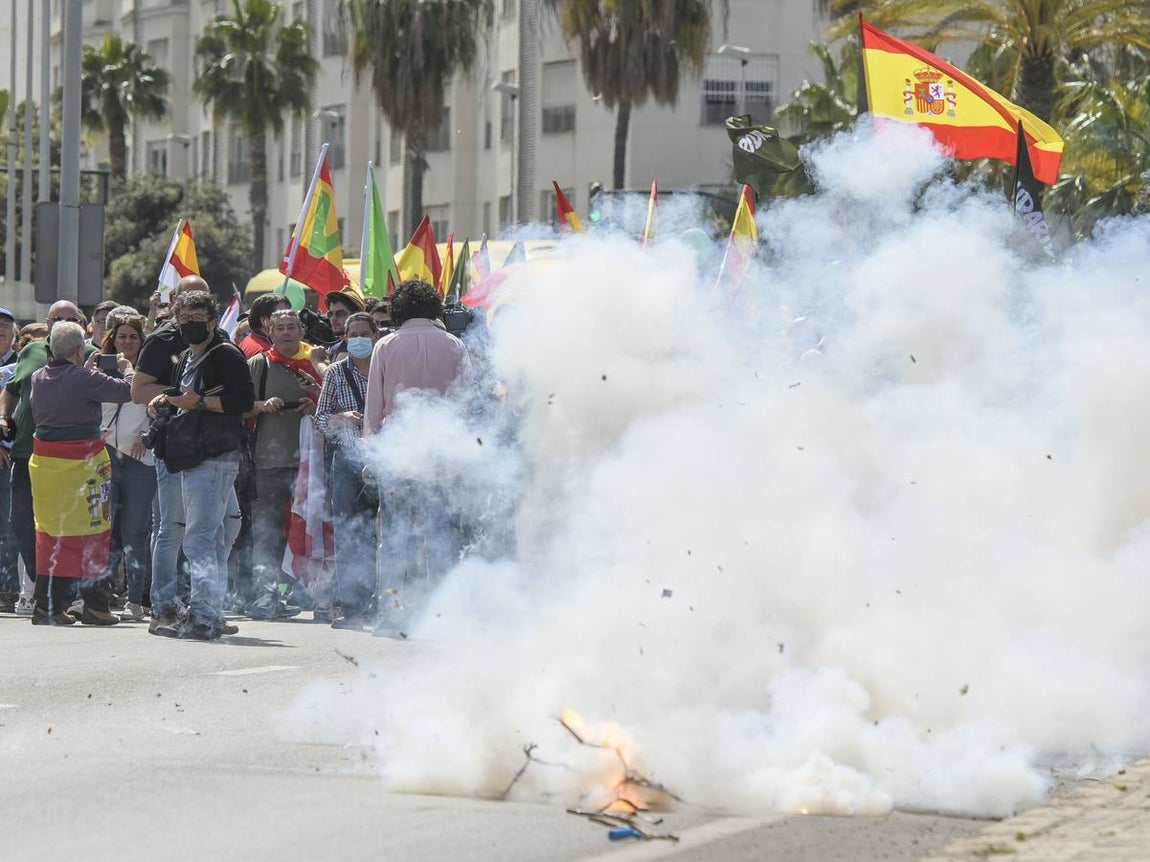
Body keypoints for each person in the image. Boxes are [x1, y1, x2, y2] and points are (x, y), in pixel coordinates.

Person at [132, 275, 242, 634]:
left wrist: (199, 402)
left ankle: (205, 616)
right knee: (199, 536)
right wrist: (167, 400)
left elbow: (242, 400)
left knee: (199, 538)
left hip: (213, 454)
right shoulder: (186, 357)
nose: (191, 326)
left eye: (198, 319)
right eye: (184, 321)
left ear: (213, 321)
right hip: (190, 455)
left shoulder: (225, 353)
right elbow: (162, 392)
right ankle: (201, 612)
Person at [363, 280, 471, 632]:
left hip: (397, 452)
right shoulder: (455, 345)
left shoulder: (386, 345)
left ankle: (393, 611)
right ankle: (445, 611)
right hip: (443, 452)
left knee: (394, 535)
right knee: (441, 533)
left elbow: (374, 407)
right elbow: (468, 404)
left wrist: (371, 452)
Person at [27, 321, 133, 625]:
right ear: (78, 349)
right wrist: (125, 366)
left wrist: (86, 370)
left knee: (50, 533)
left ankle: (47, 606)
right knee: (93, 532)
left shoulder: (38, 377)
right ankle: (96, 606)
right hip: (83, 463)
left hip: (46, 467)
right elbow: (128, 391)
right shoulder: (86, 377)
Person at [0, 301, 96, 605]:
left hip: (68, 458)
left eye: (71, 319)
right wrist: (3, 416)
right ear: (47, 321)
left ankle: (66, 593)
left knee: (65, 527)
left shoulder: (89, 354)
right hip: (25, 453)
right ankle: (45, 588)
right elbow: (11, 389)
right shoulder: (31, 351)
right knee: (21, 525)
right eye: (57, 319)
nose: (63, 323)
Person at [246, 309, 321, 619]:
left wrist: (313, 401)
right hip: (269, 460)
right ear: (271, 332)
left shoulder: (316, 364)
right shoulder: (259, 364)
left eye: (292, 327)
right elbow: (239, 407)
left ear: (301, 331)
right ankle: (264, 596)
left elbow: (333, 405)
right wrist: (262, 405)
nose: (287, 332)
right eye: (281, 328)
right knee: (267, 530)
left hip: (310, 461)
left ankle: (309, 592)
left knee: (310, 527)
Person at [314, 312, 379, 630]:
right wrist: (342, 418)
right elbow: (320, 419)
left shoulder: (386, 367)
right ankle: (352, 604)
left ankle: (383, 598)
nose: (358, 339)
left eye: (364, 333)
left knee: (384, 531)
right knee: (348, 532)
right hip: (346, 461)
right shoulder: (337, 373)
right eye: (352, 334)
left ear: (376, 335)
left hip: (384, 458)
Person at [100, 312, 156, 622]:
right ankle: (104, 595)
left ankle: (136, 599)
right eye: (122, 336)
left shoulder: (148, 371)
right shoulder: (100, 367)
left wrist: (147, 436)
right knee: (107, 531)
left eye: (133, 336)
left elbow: (159, 405)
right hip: (106, 457)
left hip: (139, 461)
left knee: (135, 531)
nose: (127, 341)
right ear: (112, 339)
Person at [0, 307, 20, 613]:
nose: (0, 329)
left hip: (9, 457)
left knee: (8, 525)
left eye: (5, 325)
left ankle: (8, 588)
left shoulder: (21, 365)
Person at [239, 293, 291, 359]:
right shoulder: (267, 353)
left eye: (290, 313)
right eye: (281, 315)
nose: (289, 318)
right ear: (264, 321)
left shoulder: (249, 339)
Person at [322, 290, 365, 363]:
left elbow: (338, 374)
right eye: (330, 314)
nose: (333, 319)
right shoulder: (334, 348)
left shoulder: (362, 347)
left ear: (356, 316)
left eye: (340, 314)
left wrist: (317, 362)